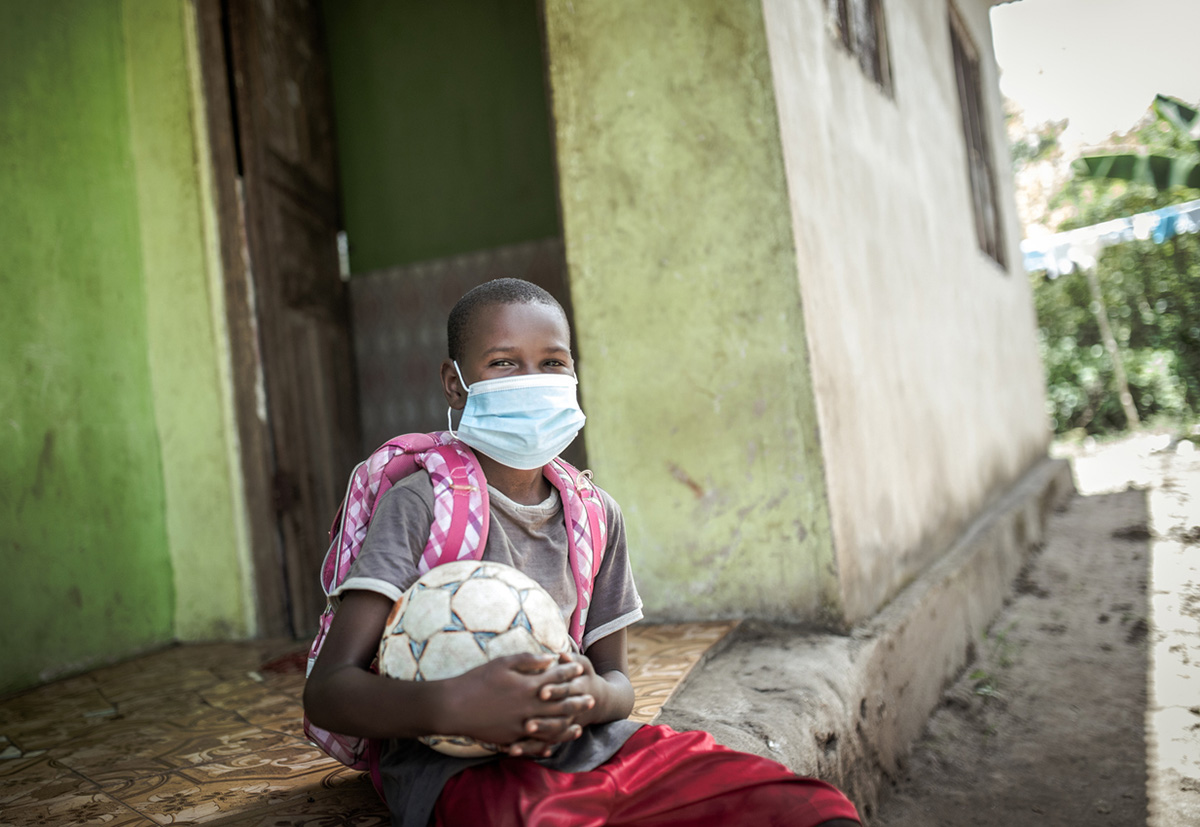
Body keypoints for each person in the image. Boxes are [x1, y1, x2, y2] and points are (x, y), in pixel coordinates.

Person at [304, 278, 860, 827]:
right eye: (502, 363)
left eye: (552, 363)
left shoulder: (594, 513)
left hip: (598, 746)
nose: (532, 380)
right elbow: (328, 693)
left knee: (809, 809)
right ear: (455, 383)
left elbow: (617, 684)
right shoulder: (419, 505)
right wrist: (453, 707)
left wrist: (589, 697)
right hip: (462, 772)